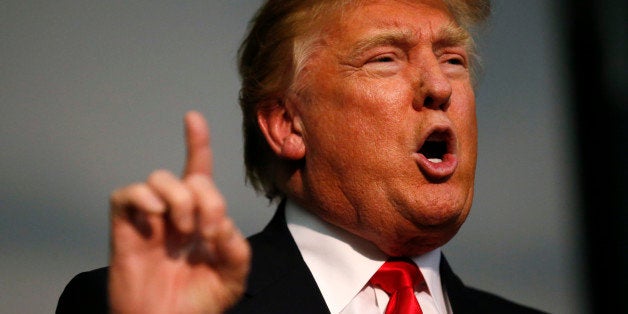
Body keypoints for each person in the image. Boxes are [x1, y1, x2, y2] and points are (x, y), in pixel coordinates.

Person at [57, 0, 547, 313]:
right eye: (385, 59)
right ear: (289, 125)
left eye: (452, 60)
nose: (439, 86)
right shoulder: (149, 307)